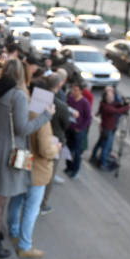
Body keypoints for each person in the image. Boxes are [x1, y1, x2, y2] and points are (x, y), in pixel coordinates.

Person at [0, 59, 54, 259]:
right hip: (5, 152)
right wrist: (44, 117)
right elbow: (23, 129)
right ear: (21, 75)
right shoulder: (18, 96)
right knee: (0, 197)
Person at [8, 79, 60, 259]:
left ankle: (13, 230)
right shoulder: (42, 118)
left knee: (16, 200)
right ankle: (24, 245)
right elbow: (46, 150)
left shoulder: (25, 109)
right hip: (37, 170)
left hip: (22, 164)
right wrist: (56, 149)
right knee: (31, 208)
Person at [41, 70, 71, 214]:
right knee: (49, 175)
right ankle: (42, 204)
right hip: (54, 142)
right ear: (59, 85)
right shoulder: (61, 105)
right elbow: (66, 125)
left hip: (37, 136)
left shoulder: (39, 97)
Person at [90, 86, 130, 170]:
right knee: (105, 147)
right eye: (111, 97)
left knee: (99, 143)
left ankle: (93, 157)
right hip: (107, 129)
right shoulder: (108, 108)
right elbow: (117, 111)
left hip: (104, 128)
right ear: (108, 98)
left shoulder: (104, 103)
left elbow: (115, 105)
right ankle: (103, 163)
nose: (113, 98)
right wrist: (128, 107)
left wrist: (122, 104)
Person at [65, 82, 91, 179]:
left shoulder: (85, 103)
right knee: (68, 149)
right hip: (69, 128)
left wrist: (80, 128)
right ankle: (69, 167)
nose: (73, 92)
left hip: (78, 131)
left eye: (75, 90)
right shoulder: (70, 99)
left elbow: (88, 118)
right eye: (72, 89)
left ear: (80, 91)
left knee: (76, 152)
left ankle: (75, 170)